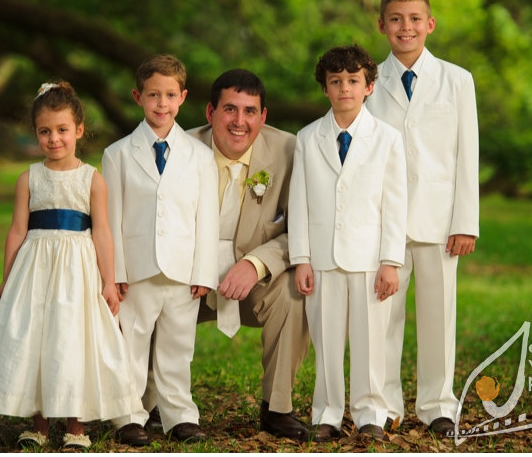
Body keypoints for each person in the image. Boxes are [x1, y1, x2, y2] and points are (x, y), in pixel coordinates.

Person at [0, 81, 139, 450]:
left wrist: (108, 282)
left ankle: (76, 426)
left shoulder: (92, 179)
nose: (54, 139)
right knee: (36, 340)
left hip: (77, 272)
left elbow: (103, 234)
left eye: (62, 130)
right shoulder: (28, 178)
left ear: (79, 129)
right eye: (45, 131)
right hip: (35, 271)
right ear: (35, 133)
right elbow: (17, 231)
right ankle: (39, 424)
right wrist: (6, 280)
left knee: (73, 340)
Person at [365, 0, 479, 436]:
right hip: (381, 223)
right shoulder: (367, 80)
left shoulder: (457, 80)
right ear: (382, 26)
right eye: (395, 19)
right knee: (382, 318)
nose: (405, 27)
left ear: (429, 24)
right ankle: (381, 406)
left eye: (414, 19)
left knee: (438, 316)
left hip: (438, 220)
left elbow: (466, 154)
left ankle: (438, 406)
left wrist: (465, 221)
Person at [289, 45, 407, 443]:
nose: (345, 89)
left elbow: (395, 203)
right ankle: (327, 412)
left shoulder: (387, 138)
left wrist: (391, 260)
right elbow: (300, 201)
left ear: (369, 87)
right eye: (336, 82)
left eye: (353, 81)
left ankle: (370, 411)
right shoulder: (308, 138)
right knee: (326, 339)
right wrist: (301, 258)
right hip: (322, 257)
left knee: (371, 340)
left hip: (371, 257)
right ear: (325, 88)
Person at [185, 69, 311, 440]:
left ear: (263, 116)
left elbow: (303, 228)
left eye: (250, 111)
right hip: (189, 278)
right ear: (210, 112)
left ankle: (277, 408)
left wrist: (255, 263)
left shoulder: (289, 150)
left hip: (254, 282)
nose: (240, 122)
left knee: (293, 293)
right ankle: (156, 402)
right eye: (229, 109)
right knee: (150, 291)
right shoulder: (183, 149)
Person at [102, 55, 219, 444]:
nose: (162, 104)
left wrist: (204, 272)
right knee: (132, 343)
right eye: (153, 95)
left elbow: (206, 220)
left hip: (183, 270)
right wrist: (116, 270)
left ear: (183, 97)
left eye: (170, 95)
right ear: (138, 96)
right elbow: (112, 218)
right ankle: (128, 414)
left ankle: (179, 416)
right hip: (136, 270)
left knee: (178, 346)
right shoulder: (118, 154)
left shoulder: (200, 156)